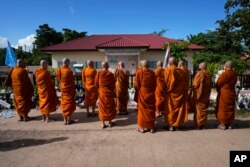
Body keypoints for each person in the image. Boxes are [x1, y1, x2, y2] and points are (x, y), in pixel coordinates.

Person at [164, 57, 188, 131]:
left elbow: (166, 83)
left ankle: (171, 125)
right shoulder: (181, 71)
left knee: (170, 109)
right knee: (178, 109)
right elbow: (184, 83)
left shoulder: (168, 70)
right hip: (179, 93)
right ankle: (177, 125)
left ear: (170, 63)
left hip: (171, 93)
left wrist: (166, 89)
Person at [135, 60, 156, 133]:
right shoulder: (152, 73)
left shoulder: (140, 72)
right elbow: (155, 84)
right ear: (148, 66)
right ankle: (151, 127)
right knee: (151, 111)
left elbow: (137, 84)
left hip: (143, 93)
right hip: (151, 94)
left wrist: (141, 89)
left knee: (142, 111)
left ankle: (142, 127)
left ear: (142, 65)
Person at [216, 61, 237, 130]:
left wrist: (218, 88)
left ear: (225, 66)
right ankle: (229, 124)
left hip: (224, 93)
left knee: (223, 108)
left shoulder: (225, 74)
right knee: (230, 108)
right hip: (232, 92)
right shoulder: (234, 74)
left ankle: (223, 125)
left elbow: (219, 82)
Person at [95, 61, 116, 128]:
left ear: (102, 66)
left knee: (102, 107)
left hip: (102, 92)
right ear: (108, 66)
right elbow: (113, 84)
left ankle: (103, 123)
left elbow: (96, 83)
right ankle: (110, 122)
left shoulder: (99, 73)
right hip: (109, 92)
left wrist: (100, 89)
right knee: (109, 107)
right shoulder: (111, 74)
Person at [192, 62, 213, 129]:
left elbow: (195, 84)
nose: (198, 66)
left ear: (201, 66)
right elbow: (211, 85)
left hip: (199, 95)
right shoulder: (209, 75)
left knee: (199, 110)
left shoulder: (200, 73)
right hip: (206, 95)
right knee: (204, 109)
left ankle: (198, 125)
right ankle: (203, 125)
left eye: (199, 65)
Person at [56, 58, 76, 125]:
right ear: (67, 62)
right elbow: (72, 80)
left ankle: (65, 120)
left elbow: (59, 79)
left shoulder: (59, 70)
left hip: (63, 89)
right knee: (69, 104)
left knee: (64, 104)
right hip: (69, 89)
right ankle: (69, 120)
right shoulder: (69, 71)